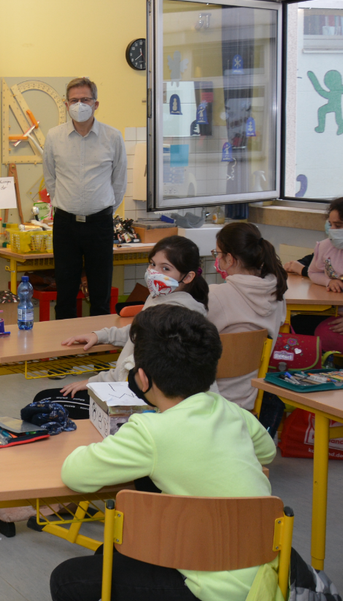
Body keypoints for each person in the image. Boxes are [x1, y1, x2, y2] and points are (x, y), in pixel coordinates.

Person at [49, 304, 283, 601]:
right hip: (266, 575)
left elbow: (75, 474)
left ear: (142, 379)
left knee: (68, 579)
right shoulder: (232, 412)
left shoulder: (149, 431)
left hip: (211, 589)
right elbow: (267, 453)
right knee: (109, 553)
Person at [56, 236, 209, 397]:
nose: (154, 273)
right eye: (153, 264)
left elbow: (135, 369)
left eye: (165, 269)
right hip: (126, 387)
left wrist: (94, 382)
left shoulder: (176, 314)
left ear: (188, 277)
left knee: (53, 401)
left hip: (133, 394)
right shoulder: (160, 298)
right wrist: (100, 335)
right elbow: (140, 331)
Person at [42, 77, 127, 319]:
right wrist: (65, 203)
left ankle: (98, 351)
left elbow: (119, 182)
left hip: (99, 223)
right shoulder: (54, 136)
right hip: (65, 224)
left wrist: (103, 205)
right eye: (74, 100)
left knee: (100, 294)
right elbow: (50, 178)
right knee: (65, 294)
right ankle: (64, 354)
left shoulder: (112, 137)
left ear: (96, 103)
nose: (80, 104)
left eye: (85, 99)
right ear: (66, 104)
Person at [208, 222, 288, 410]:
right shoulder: (277, 293)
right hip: (250, 399)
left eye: (217, 254)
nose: (217, 260)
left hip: (212, 399)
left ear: (230, 259)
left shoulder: (217, 296)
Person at [304, 196, 343, 352]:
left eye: (338, 225)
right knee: (299, 326)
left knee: (324, 335)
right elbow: (313, 272)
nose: (333, 230)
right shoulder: (326, 246)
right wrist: (329, 282)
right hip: (333, 312)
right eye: (330, 224)